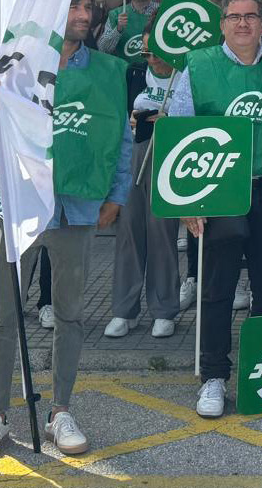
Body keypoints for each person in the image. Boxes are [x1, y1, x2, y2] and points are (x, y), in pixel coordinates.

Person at [0, 0, 132, 462]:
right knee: (2, 315)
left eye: (87, 7)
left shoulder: (107, 71)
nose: (82, 14)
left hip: (78, 208)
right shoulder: (17, 69)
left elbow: (120, 139)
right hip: (17, 205)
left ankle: (60, 410)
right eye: (73, 6)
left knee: (70, 315)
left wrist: (117, 195)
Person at [166, 0, 262, 418]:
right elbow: (179, 129)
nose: (243, 24)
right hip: (219, 189)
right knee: (217, 288)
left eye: (251, 16)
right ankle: (213, 375)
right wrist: (186, 199)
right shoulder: (200, 65)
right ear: (222, 23)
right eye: (234, 17)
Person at [106, 31, 188, 339]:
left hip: (168, 156)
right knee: (129, 232)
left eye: (156, 52)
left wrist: (171, 118)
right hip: (133, 154)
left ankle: (165, 308)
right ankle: (124, 309)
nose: (151, 59)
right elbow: (117, 112)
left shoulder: (184, 76)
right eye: (146, 53)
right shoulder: (134, 73)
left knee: (162, 233)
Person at [99, 0, 160, 107]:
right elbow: (103, 48)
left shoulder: (162, 12)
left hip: (156, 78)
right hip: (125, 79)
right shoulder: (116, 14)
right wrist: (118, 29)